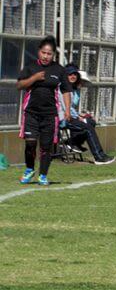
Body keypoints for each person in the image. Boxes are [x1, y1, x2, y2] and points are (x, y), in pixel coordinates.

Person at [16, 35, 72, 186]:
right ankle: (29, 170)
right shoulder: (30, 67)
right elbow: (20, 85)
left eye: (49, 53)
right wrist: (33, 78)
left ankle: (43, 175)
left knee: (46, 147)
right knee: (30, 144)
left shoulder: (59, 70)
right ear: (39, 51)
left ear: (54, 55)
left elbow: (66, 91)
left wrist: (67, 110)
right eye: (44, 52)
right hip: (31, 114)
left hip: (50, 115)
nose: (46, 56)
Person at [58, 63, 116, 165]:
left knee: (90, 122)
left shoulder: (73, 89)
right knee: (87, 127)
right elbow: (65, 108)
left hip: (70, 117)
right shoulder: (63, 88)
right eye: (70, 74)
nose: (73, 77)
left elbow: (71, 108)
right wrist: (78, 117)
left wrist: (80, 116)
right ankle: (98, 156)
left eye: (75, 75)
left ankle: (73, 143)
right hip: (63, 119)